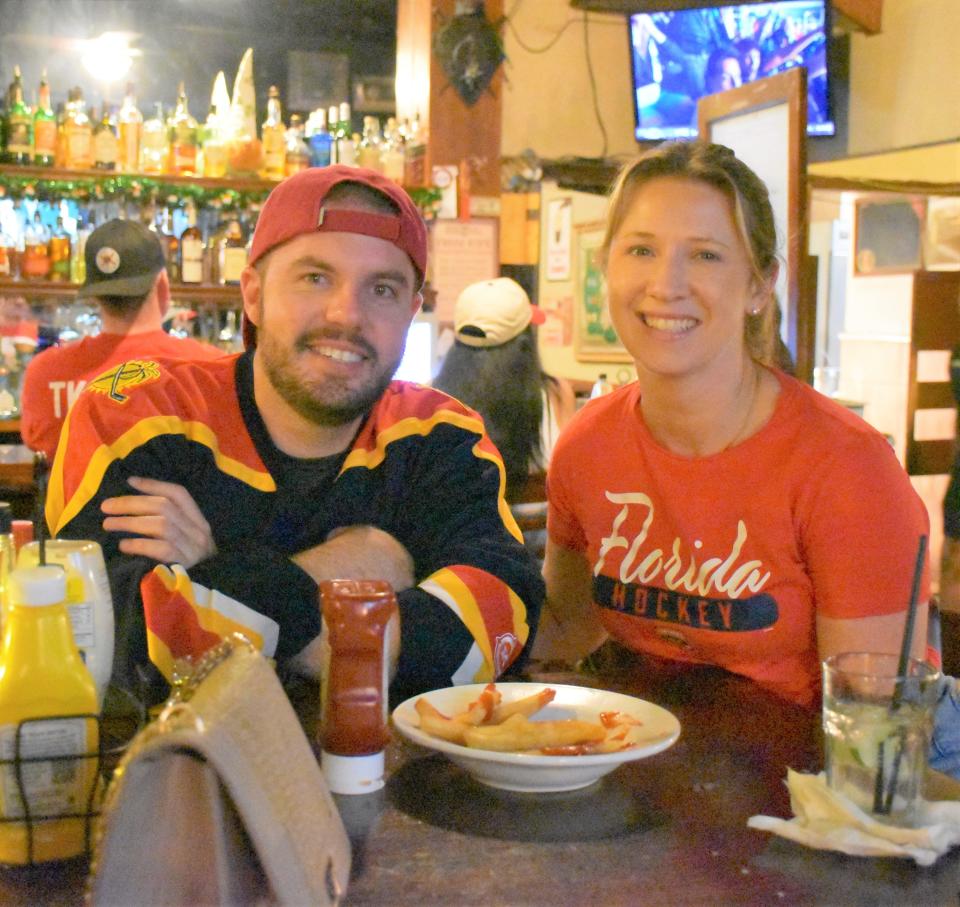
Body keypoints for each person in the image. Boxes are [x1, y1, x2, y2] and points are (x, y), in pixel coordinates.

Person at [47, 165, 544, 705]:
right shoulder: (136, 416)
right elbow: (111, 652)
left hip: (400, 782)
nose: (346, 314)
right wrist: (350, 568)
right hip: (180, 779)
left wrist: (217, 580)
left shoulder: (442, 436)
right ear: (254, 296)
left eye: (382, 288)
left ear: (410, 313)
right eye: (315, 277)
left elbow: (496, 625)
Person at [535, 140, 932, 714]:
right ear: (606, 267)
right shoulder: (586, 445)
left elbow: (871, 729)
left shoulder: (848, 468)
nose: (666, 284)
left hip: (805, 784)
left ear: (759, 284)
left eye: (705, 256)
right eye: (641, 250)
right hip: (655, 773)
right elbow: (565, 627)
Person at [21, 219, 222, 461]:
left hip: (77, 499)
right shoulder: (213, 368)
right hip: (184, 500)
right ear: (163, 285)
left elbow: (40, 450)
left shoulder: (44, 372)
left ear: (94, 295)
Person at [433, 277, 575, 501]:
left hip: (458, 534)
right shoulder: (557, 394)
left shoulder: (430, 400)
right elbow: (570, 479)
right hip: (541, 534)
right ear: (525, 343)